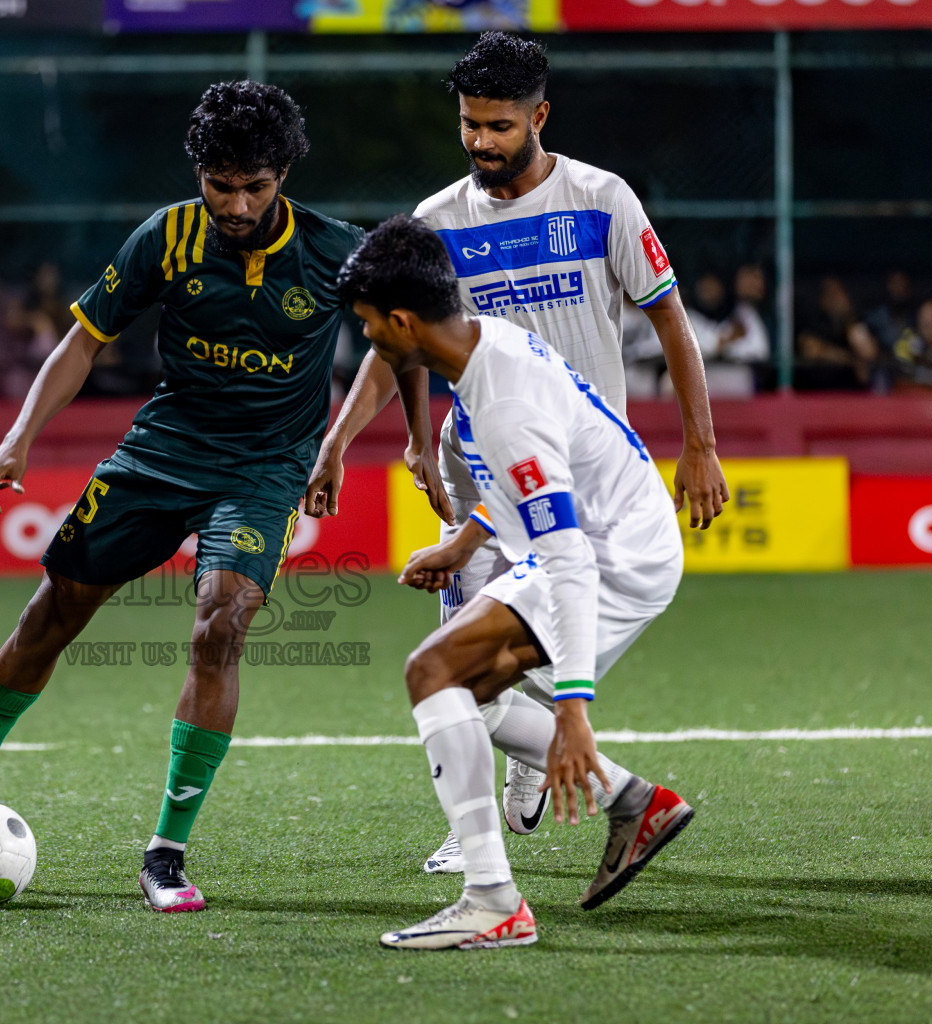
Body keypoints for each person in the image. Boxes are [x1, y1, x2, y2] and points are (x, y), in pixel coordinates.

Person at [0, 81, 364, 913]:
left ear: (284, 173)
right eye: (221, 185)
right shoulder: (166, 237)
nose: (238, 203)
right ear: (200, 174)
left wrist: (341, 443)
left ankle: (166, 853)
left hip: (262, 470)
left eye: (256, 185)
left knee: (223, 620)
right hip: (163, 452)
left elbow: (402, 343)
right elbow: (83, 341)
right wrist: (18, 436)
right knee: (51, 614)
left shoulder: (334, 251)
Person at [305, 32, 725, 874]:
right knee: (460, 666)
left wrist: (700, 444)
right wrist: (355, 442)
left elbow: (668, 318)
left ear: (539, 115)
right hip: (480, 477)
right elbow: (397, 347)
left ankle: (561, 792)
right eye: (469, 125)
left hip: (573, 469)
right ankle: (484, 832)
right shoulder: (437, 221)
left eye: (498, 126)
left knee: (475, 669)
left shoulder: (602, 200)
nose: (480, 142)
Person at [339, 215, 693, 950]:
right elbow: (533, 480)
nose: (368, 341)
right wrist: (467, 541)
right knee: (463, 686)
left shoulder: (501, 407)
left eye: (370, 327)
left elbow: (569, 560)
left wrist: (572, 706)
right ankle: (633, 803)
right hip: (618, 526)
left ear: (404, 322)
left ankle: (492, 900)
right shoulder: (486, 343)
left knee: (433, 670)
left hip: (615, 551)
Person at [795, 276, 879, 391]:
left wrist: (849, 319)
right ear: (821, 299)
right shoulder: (814, 322)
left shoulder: (854, 322)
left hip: (850, 393)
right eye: (829, 293)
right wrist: (850, 360)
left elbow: (869, 353)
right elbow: (812, 351)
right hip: (817, 391)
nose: (834, 299)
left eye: (838, 293)